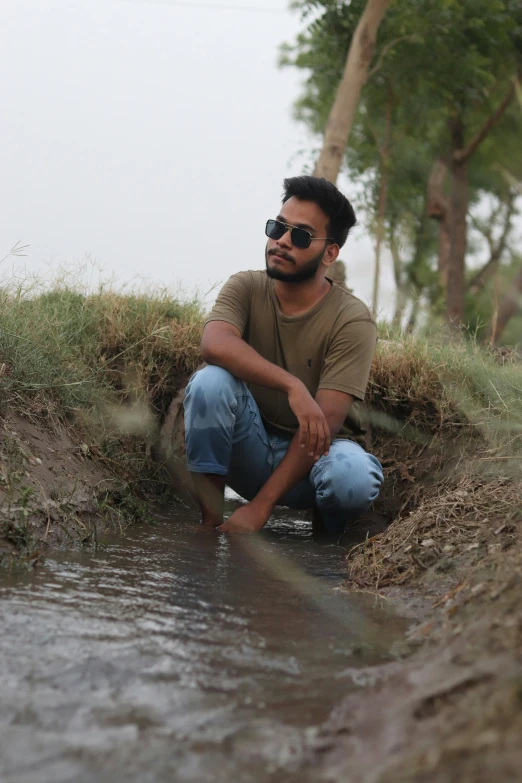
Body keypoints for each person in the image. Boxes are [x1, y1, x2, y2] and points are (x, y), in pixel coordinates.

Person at [183, 176, 383, 536]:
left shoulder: (352, 319)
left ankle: (327, 544)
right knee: (208, 383)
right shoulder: (245, 286)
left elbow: (326, 423)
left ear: (330, 253)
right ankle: (212, 524)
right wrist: (292, 386)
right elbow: (214, 344)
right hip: (249, 449)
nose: (282, 241)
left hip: (315, 465)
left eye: (301, 235)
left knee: (353, 478)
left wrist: (261, 507)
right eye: (278, 227)